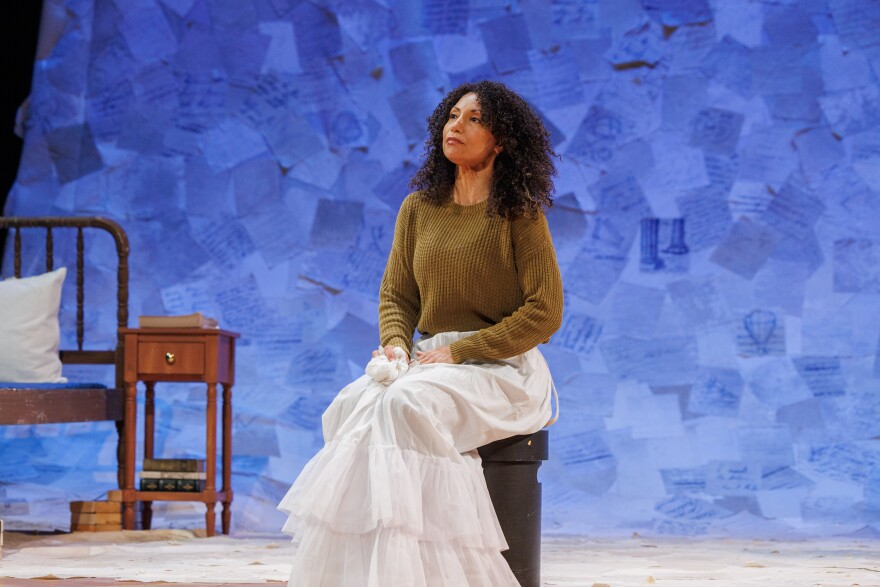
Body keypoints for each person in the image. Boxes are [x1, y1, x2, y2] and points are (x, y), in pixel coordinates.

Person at [278, 80, 564, 586]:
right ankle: (365, 571)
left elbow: (544, 313)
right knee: (351, 404)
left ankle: (445, 571)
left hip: (500, 367)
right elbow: (398, 296)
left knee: (406, 406)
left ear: (501, 141)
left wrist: (463, 350)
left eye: (474, 119)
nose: (456, 125)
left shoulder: (519, 214)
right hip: (432, 360)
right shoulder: (419, 209)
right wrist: (393, 344)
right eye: (453, 115)